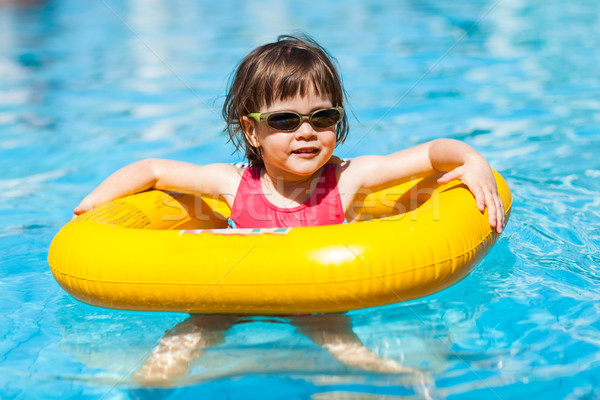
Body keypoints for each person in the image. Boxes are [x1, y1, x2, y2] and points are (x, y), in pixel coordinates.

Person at [73, 34, 505, 383]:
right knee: (179, 346)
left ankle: (399, 379)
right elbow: (152, 170)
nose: (306, 132)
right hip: (231, 291)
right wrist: (93, 205)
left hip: (315, 296)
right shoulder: (231, 183)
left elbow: (432, 153)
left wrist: (472, 161)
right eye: (284, 120)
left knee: (347, 352)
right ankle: (141, 391)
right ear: (252, 130)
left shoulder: (348, 178)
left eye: (322, 118)